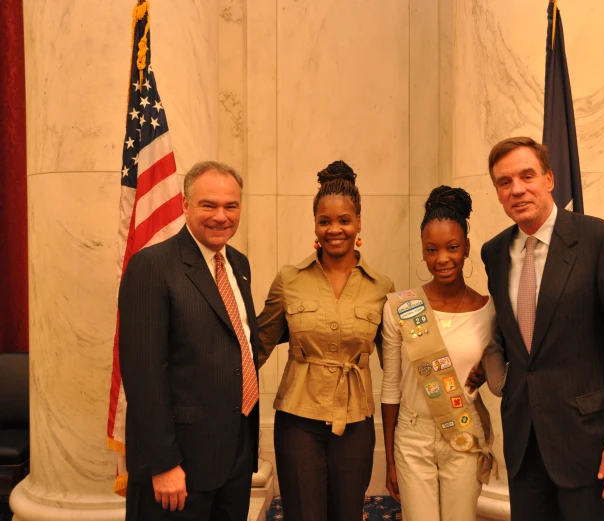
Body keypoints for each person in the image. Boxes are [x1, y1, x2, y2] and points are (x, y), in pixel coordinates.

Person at [480, 137, 604, 521]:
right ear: (497, 192)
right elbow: (514, 342)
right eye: (504, 182)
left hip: (591, 445)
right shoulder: (494, 253)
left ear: (549, 178)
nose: (517, 189)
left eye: (527, 176)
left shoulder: (601, 241)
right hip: (525, 443)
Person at [119, 161, 261, 521]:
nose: (221, 216)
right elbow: (143, 376)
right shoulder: (152, 266)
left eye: (231, 206)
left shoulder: (239, 265)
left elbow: (235, 347)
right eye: (208, 205)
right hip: (179, 466)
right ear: (185, 205)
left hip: (235, 457)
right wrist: (163, 463)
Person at [257, 160, 394, 521]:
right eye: (325, 221)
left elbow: (399, 367)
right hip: (298, 420)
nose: (335, 230)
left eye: (344, 220)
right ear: (315, 224)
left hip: (356, 423)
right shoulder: (289, 280)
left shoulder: (382, 287)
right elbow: (254, 349)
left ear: (359, 222)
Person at [380, 186, 498, 521]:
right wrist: (389, 458)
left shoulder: (489, 311)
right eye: (431, 250)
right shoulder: (401, 308)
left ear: (466, 248)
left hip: (463, 428)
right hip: (412, 433)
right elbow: (390, 386)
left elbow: (501, 368)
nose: (441, 258)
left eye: (452, 247)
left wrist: (487, 372)